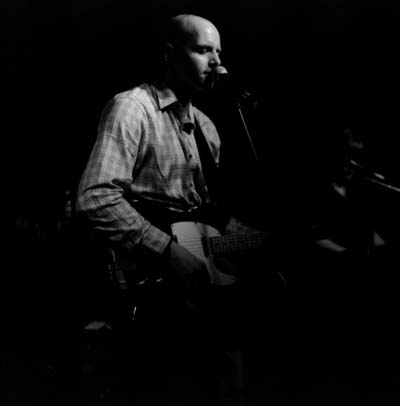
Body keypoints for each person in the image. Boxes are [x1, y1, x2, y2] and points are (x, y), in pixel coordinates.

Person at [76, 14, 247, 405]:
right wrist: (169, 252)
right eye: (203, 50)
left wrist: (232, 234)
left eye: (219, 53)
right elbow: (95, 198)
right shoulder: (132, 108)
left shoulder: (207, 128)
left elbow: (206, 214)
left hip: (199, 298)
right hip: (151, 295)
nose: (217, 63)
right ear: (169, 55)